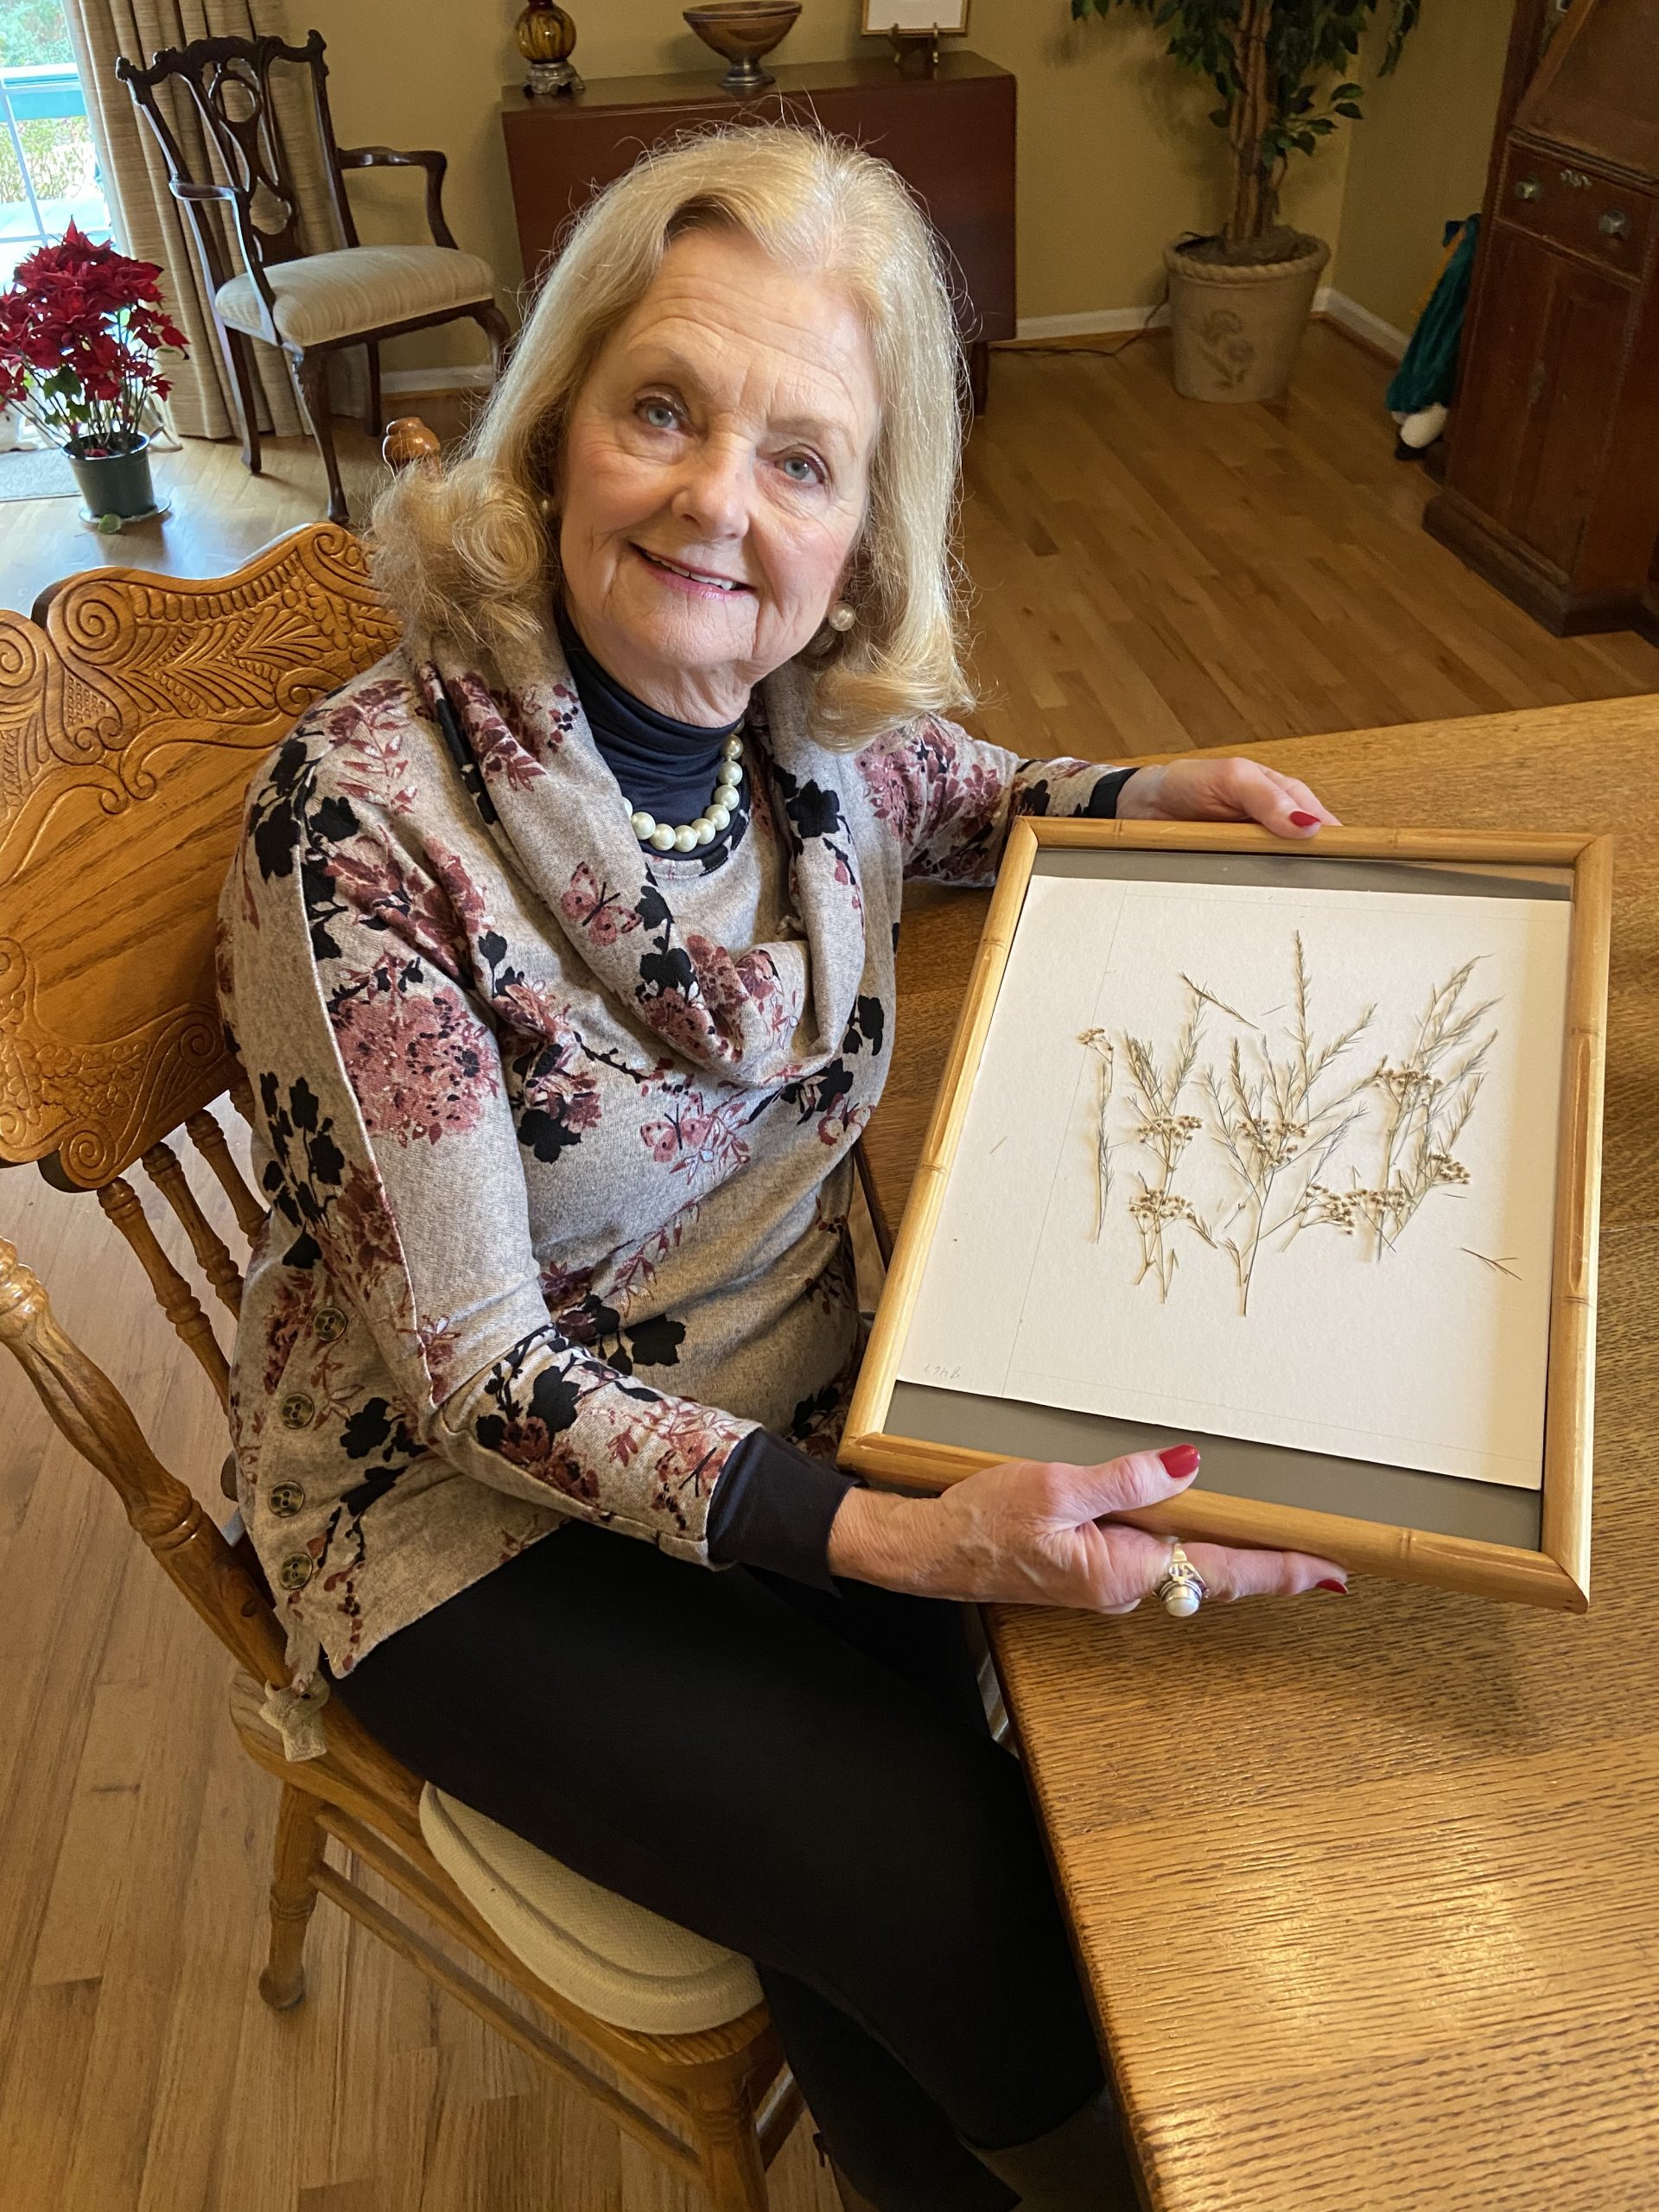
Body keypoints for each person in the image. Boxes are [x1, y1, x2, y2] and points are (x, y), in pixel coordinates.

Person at [219, 127, 1347, 2212]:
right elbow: (469, 1365)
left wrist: (1130, 790)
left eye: (802, 459)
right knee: (977, 1893)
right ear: (556, 427)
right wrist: (905, 1545)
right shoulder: (360, 829)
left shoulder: (798, 719)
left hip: (806, 1388)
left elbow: (940, 783)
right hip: (464, 1506)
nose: (720, 500)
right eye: (664, 408)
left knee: (977, 1838)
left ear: (860, 535)